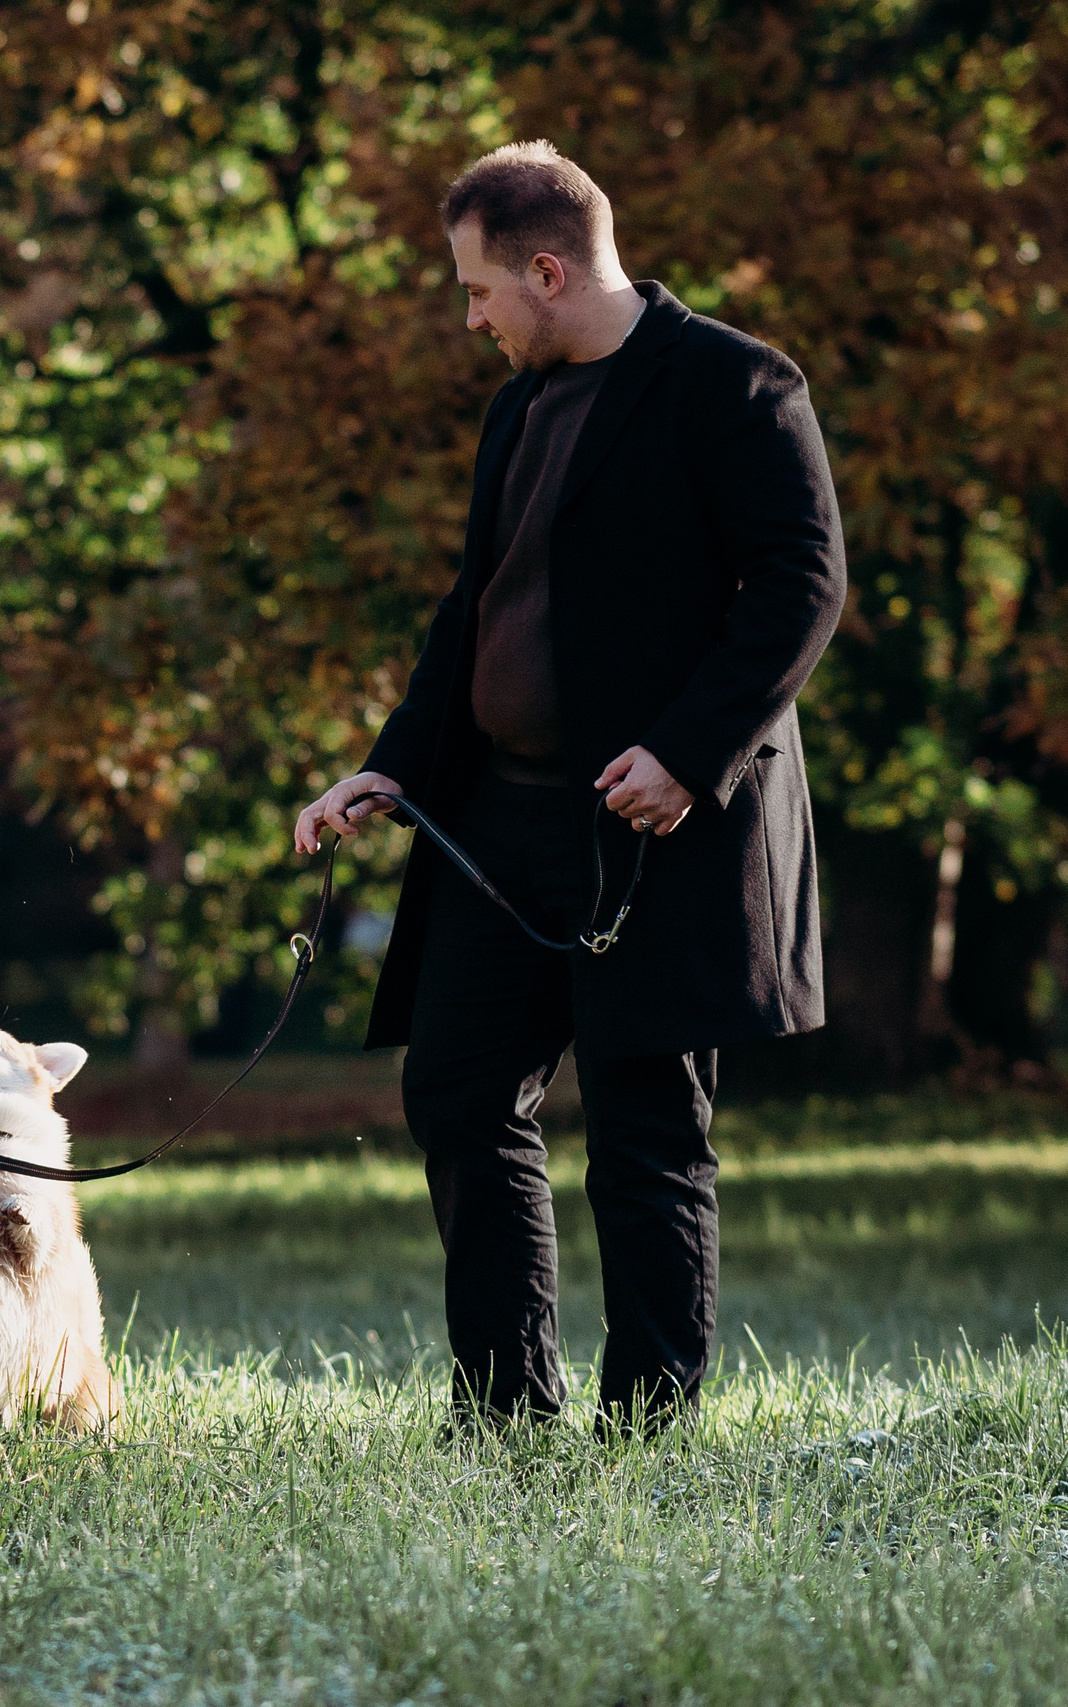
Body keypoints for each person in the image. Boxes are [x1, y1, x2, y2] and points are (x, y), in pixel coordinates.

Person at [293, 141, 845, 1432]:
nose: (470, 315)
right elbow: (475, 609)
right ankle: (505, 1412)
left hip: (657, 828)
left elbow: (804, 587)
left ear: (548, 269)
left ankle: (646, 1428)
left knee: (649, 1125)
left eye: (481, 289)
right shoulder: (519, 406)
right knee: (460, 1090)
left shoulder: (736, 384)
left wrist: (688, 753)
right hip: (497, 822)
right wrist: (392, 761)